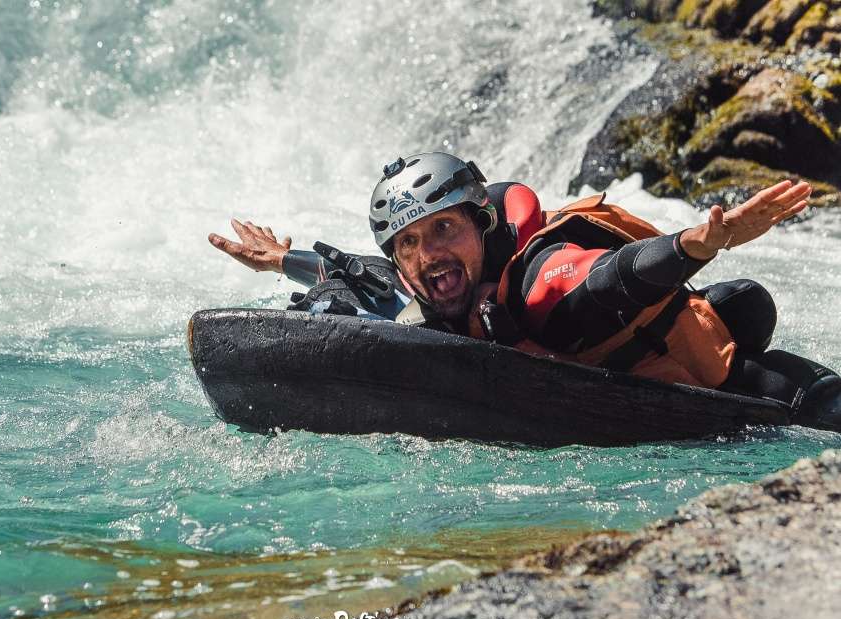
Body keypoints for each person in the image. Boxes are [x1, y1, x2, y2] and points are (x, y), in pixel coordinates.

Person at [209, 152, 840, 432]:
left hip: (763, 397)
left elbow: (612, 280)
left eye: (444, 229)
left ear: (481, 226)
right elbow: (361, 279)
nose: (428, 255)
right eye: (408, 243)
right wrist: (282, 261)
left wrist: (697, 245)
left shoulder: (542, 275)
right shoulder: (428, 283)